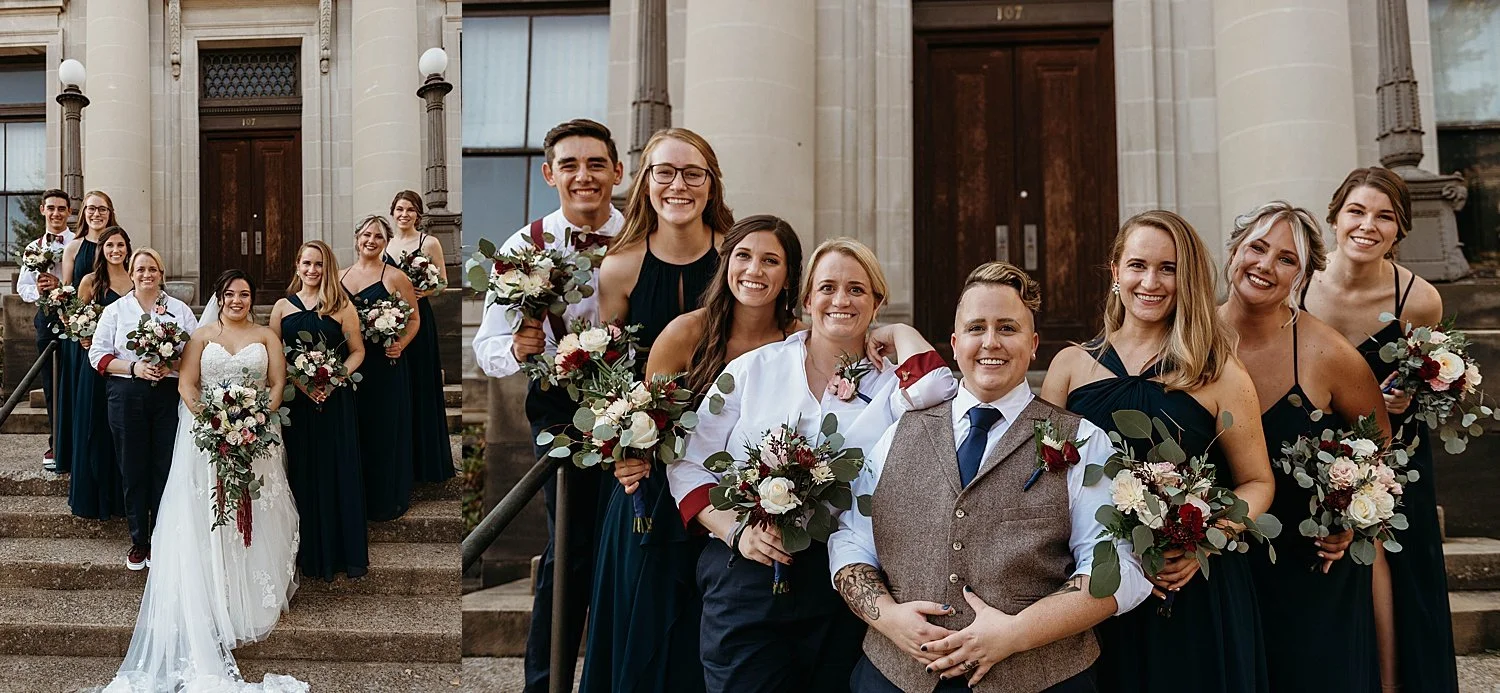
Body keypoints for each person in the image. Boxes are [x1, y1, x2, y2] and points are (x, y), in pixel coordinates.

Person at [831, 261, 1151, 693]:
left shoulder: (1084, 442)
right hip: (894, 678)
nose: (990, 342)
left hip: (1042, 681)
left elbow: (1118, 568)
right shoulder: (897, 433)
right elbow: (851, 540)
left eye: (1007, 328)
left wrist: (1016, 633)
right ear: (955, 341)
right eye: (977, 327)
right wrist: (888, 619)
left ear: (1034, 343)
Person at [668, 238, 959, 692]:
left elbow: (941, 390)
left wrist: (900, 333)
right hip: (748, 574)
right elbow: (688, 462)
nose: (841, 300)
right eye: (827, 287)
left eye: (857, 290)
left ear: (877, 301)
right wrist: (735, 532)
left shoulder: (889, 384)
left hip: (844, 583)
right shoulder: (752, 369)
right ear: (806, 300)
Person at [1040, 210, 1276, 693]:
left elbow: (1258, 482)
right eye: (1138, 265)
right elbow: (1036, 479)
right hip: (1091, 589)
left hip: (1188, 590)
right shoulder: (1070, 366)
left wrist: (1203, 540)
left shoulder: (1219, 372)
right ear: (1115, 273)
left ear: (1185, 277)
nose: (1151, 282)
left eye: (1168, 268)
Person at [581, 215, 804, 693]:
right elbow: (641, 418)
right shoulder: (686, 332)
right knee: (655, 641)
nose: (754, 270)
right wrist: (627, 454)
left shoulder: (799, 341)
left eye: (771, 260)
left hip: (755, 509)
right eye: (743, 256)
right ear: (725, 265)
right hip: (662, 506)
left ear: (789, 274)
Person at [471, 117, 625, 693]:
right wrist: (517, 346)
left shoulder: (645, 232)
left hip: (644, 400)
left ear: (616, 170)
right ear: (548, 174)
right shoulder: (522, 246)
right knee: (572, 549)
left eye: (594, 164)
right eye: (570, 165)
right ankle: (546, 683)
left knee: (634, 545)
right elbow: (486, 348)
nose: (583, 176)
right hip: (560, 409)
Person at [103, 269, 304, 693]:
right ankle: (212, 595)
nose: (238, 300)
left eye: (245, 294)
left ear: (253, 299)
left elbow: (277, 383)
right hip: (206, 439)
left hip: (256, 437)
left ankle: (250, 594)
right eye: (231, 294)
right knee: (209, 514)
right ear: (220, 297)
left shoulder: (267, 336)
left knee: (255, 513)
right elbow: (188, 386)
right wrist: (216, 424)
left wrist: (253, 420)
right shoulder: (201, 336)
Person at [1220, 201, 1390, 692]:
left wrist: (1353, 523)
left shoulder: (1332, 355)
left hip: (1311, 571)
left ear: (1305, 274)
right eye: (1256, 247)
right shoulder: (1191, 339)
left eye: (1286, 259)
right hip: (1217, 567)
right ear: (1234, 251)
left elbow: (1377, 458)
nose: (1265, 266)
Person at [1300, 167, 1457, 693]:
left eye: (1384, 217)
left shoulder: (1420, 300)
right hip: (1308, 448)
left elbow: (1426, 376)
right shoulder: (1299, 283)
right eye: (1356, 212)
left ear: (1400, 229)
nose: (1368, 226)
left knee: (1392, 575)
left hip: (1393, 450)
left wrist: (1413, 393)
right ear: (1335, 218)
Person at [89, 248, 200, 570]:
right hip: (126, 395)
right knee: (133, 467)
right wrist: (134, 368)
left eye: (152, 268)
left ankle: (164, 537)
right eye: (140, 269)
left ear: (161, 273)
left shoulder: (178, 310)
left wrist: (171, 365)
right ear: (132, 273)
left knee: (165, 467)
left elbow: (196, 354)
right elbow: (97, 355)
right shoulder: (116, 310)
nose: (146, 274)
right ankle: (140, 539)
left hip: (168, 395)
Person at [270, 241, 368, 581]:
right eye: (307, 263)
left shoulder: (342, 306)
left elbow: (357, 351)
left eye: (319, 265)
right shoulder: (282, 307)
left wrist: (334, 378)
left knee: (333, 469)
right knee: (301, 470)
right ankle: (304, 552)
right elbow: (274, 353)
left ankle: (338, 551)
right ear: (297, 265)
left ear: (328, 268)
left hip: (333, 401)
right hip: (296, 403)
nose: (313, 270)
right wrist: (299, 381)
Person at [342, 214, 421, 521]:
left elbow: (414, 318)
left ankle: (385, 497)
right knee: (354, 429)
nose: (371, 241)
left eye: (377, 237)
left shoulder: (395, 277)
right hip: (350, 363)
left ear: (386, 242)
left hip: (384, 365)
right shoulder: (339, 276)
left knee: (383, 430)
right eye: (366, 235)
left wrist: (400, 342)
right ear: (357, 238)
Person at [384, 190, 454, 483]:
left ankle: (428, 462)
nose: (404, 214)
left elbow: (443, 282)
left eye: (410, 210)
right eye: (399, 209)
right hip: (390, 319)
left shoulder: (429, 242)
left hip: (419, 318)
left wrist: (427, 289)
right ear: (393, 212)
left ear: (418, 215)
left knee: (422, 384)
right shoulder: (385, 244)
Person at [68, 225, 133, 521]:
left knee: (123, 432)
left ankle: (123, 500)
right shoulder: (90, 282)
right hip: (98, 367)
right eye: (110, 246)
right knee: (96, 428)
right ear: (102, 250)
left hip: (130, 370)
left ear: (127, 248)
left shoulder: (137, 279)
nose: (115, 251)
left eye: (120, 245)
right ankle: (94, 500)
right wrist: (83, 334)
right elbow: (76, 320)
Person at [53, 190, 119, 475]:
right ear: (83, 214)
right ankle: (74, 457)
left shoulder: (118, 246)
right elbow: (66, 291)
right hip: (80, 335)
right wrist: (76, 325)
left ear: (110, 213)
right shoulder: (74, 247)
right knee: (79, 398)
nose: (96, 214)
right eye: (91, 209)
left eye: (102, 209)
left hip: (111, 334)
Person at [17, 189, 75, 471]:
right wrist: (39, 291)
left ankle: (76, 441)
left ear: (69, 211)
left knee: (75, 380)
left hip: (75, 317)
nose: (56, 213)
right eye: (51, 208)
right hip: (46, 318)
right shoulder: (32, 247)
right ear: (42, 210)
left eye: (61, 208)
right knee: (51, 383)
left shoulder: (78, 243)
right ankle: (56, 443)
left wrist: (62, 287)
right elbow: (22, 287)